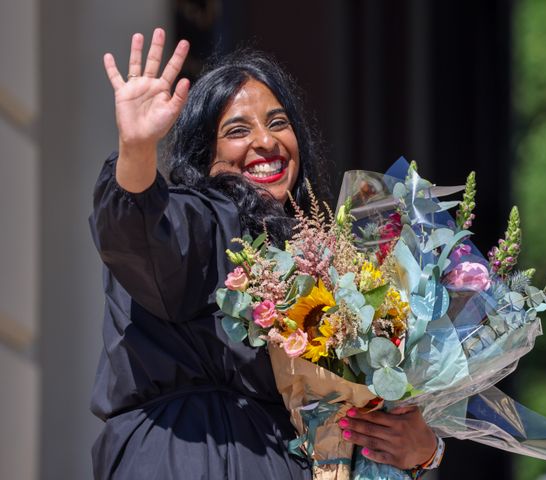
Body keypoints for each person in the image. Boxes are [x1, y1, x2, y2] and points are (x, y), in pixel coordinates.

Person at [90, 27, 440, 479]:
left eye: (278, 123)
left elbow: (351, 409)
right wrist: (137, 149)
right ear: (206, 154)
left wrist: (424, 449)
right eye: (237, 130)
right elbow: (136, 236)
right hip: (185, 456)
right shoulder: (201, 217)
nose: (266, 141)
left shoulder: (324, 258)